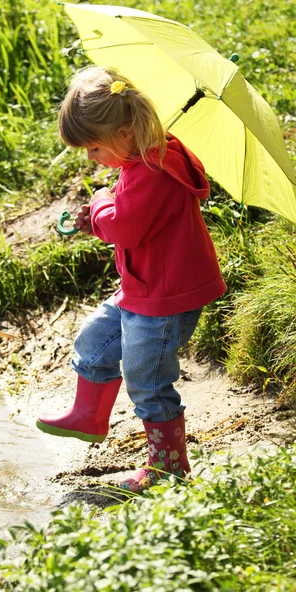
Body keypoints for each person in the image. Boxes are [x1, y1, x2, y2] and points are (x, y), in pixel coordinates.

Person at [36, 66, 227, 492]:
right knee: (94, 342)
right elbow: (128, 218)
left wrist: (102, 201)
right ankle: (88, 416)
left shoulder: (154, 170)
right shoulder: (143, 159)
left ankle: (168, 465)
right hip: (144, 287)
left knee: (148, 381)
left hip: (165, 297)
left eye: (94, 148)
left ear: (125, 131)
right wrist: (105, 210)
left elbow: (124, 228)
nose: (90, 158)